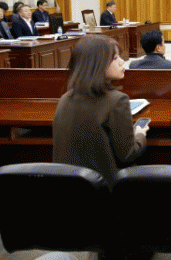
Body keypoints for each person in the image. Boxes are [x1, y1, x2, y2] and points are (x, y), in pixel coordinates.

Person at [52, 35, 148, 184]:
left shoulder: (65, 98)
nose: (122, 61)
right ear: (97, 64)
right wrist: (140, 135)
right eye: (115, 58)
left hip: (67, 186)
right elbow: (127, 155)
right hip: (104, 188)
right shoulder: (117, 100)